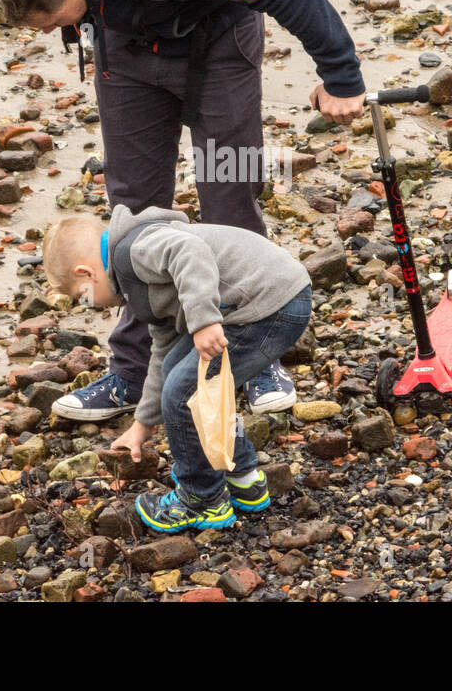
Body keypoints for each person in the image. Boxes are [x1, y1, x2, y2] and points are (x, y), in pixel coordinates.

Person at [0, 0, 364, 423]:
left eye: (55, 24)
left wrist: (341, 75)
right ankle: (131, 370)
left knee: (229, 190)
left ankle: (257, 353)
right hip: (125, 50)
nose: (55, 32)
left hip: (216, 42)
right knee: (131, 212)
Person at [44, 205, 312, 531]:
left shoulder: (134, 250)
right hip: (258, 304)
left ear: (86, 273)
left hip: (271, 304)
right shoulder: (139, 288)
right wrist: (142, 424)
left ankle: (202, 500)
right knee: (178, 373)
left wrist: (204, 321)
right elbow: (162, 356)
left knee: (184, 393)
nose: (88, 304)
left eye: (81, 297)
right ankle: (242, 477)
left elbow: (189, 251)